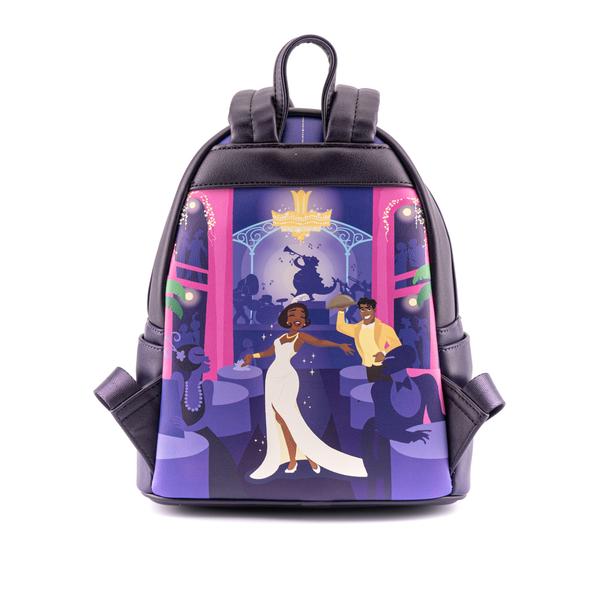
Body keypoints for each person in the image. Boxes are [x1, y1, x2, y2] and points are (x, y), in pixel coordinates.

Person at [243, 302, 367, 479]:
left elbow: (319, 342)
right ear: (287, 319)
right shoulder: (280, 338)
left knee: (290, 418)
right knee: (279, 420)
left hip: (287, 377)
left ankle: (311, 456)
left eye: (301, 316)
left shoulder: (300, 337)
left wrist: (339, 345)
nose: (298, 319)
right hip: (273, 377)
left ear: (304, 321)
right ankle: (293, 459)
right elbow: (268, 352)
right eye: (293, 315)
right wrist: (252, 355)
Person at [335, 297, 401, 382]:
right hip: (369, 366)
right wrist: (341, 311)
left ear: (374, 310)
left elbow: (396, 344)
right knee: (374, 387)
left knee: (387, 386)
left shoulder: (384, 328)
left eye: (368, 309)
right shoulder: (357, 329)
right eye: (362, 309)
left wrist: (383, 353)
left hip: (384, 365)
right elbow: (340, 327)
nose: (365, 312)